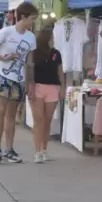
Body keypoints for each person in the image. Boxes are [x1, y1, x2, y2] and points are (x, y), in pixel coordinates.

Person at [0, 2, 38, 163]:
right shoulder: (6, 32)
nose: (33, 22)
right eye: (32, 18)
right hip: (3, 75)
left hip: (19, 78)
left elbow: (30, 61)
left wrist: (30, 82)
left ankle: (9, 148)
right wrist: (3, 58)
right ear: (22, 17)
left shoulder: (31, 37)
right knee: (0, 111)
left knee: (12, 114)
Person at [29, 29, 65, 163]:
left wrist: (62, 88)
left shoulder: (56, 53)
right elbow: (29, 70)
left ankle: (44, 149)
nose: (53, 41)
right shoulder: (33, 53)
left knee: (47, 120)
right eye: (51, 39)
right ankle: (37, 151)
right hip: (37, 87)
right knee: (38, 120)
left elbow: (60, 71)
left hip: (53, 87)